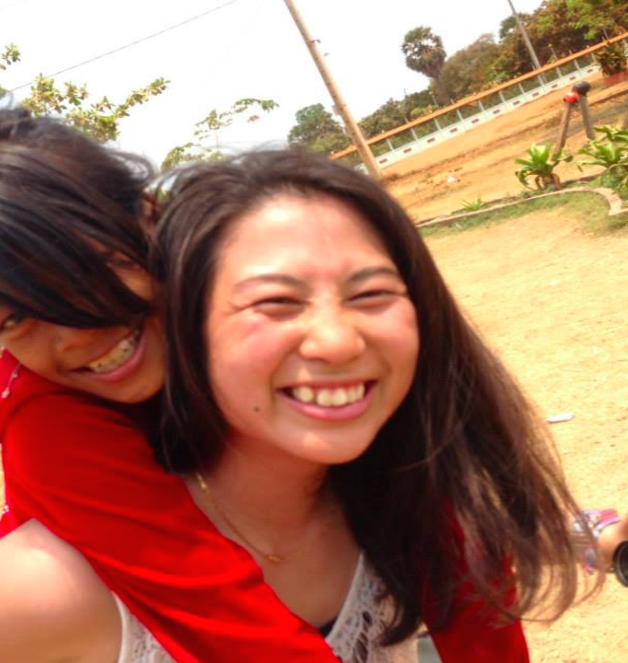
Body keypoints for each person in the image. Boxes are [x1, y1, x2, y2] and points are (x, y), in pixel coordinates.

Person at [0, 108, 340, 663]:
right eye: (16, 317)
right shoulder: (52, 427)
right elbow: (226, 617)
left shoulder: (237, 298)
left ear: (149, 217)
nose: (74, 333)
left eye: (85, 268)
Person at [142, 149, 593, 661]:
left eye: (371, 294)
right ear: (184, 331)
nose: (338, 343)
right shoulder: (81, 586)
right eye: (276, 302)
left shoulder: (415, 502)